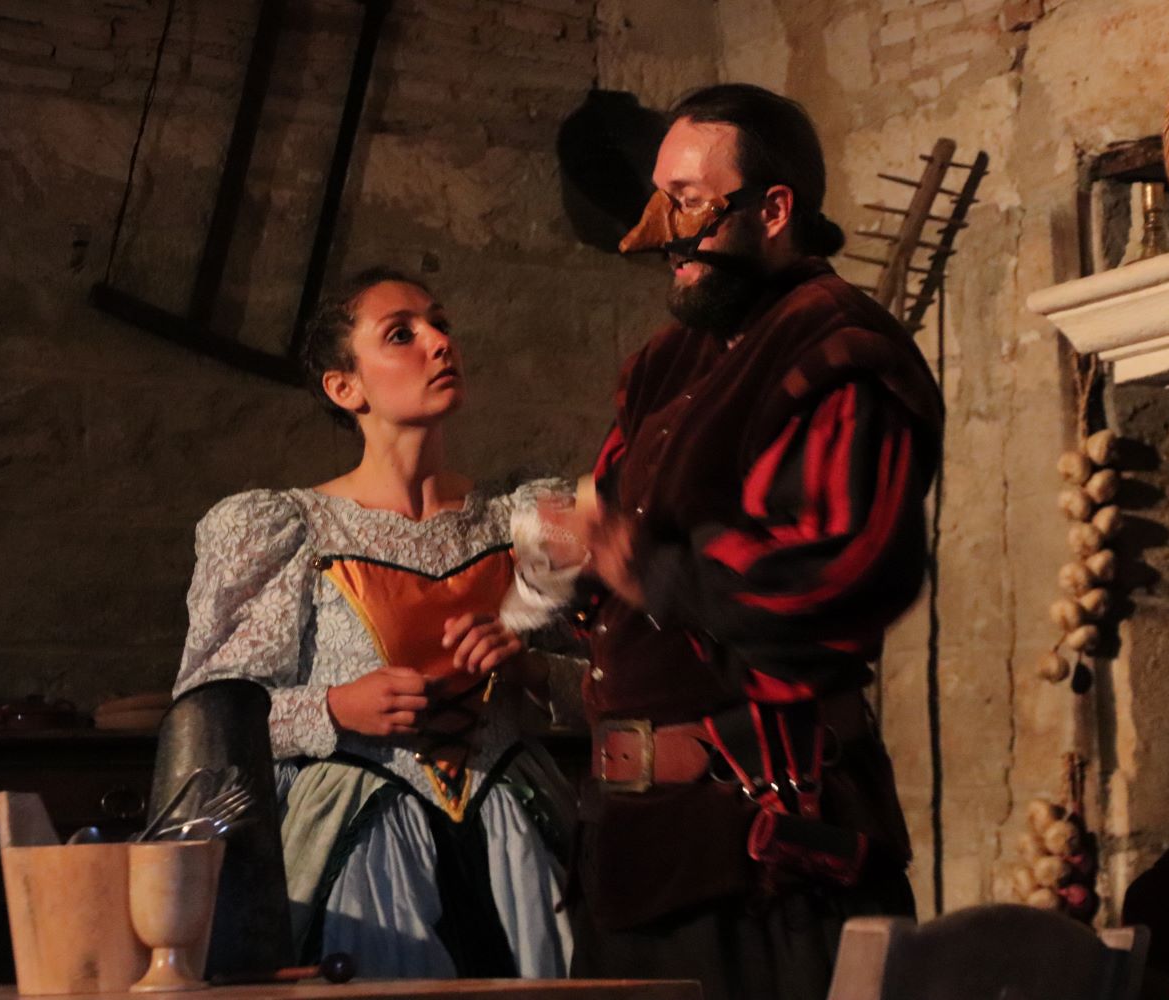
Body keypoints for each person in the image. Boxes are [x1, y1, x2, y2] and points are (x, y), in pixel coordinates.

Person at [567, 84, 945, 1000]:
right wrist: (555, 580)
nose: (662, 233)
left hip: (770, 858)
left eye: (689, 202)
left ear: (773, 209)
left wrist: (648, 567)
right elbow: (605, 537)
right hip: (638, 854)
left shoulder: (839, 349)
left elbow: (834, 574)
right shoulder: (666, 362)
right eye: (658, 200)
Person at [173, 268, 577, 980]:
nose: (439, 342)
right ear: (345, 387)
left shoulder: (527, 519)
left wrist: (530, 666)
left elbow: (621, 683)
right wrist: (335, 707)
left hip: (514, 843)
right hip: (363, 849)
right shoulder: (286, 529)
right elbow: (211, 724)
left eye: (440, 324)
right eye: (401, 334)